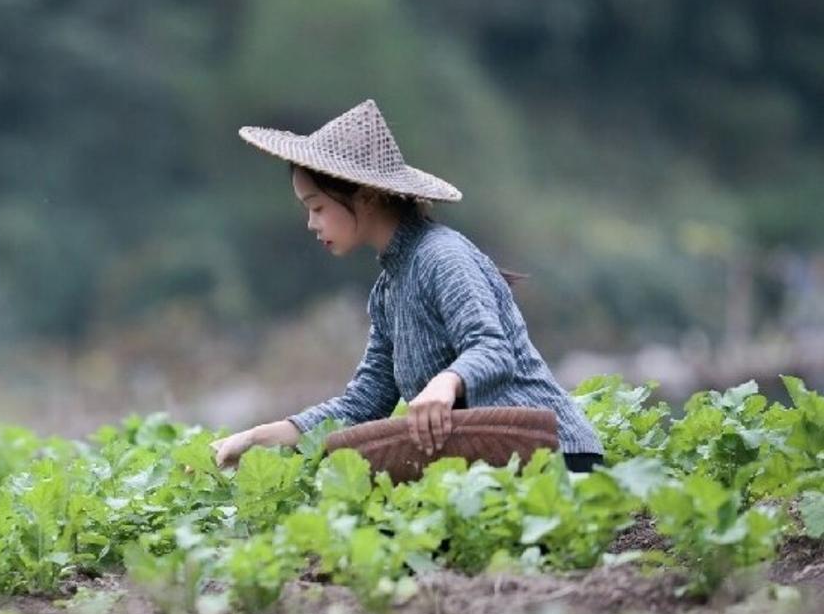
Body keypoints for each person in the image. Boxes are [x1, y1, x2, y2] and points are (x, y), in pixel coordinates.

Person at [209, 98, 604, 473]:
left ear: (364, 196)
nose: (312, 223)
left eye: (317, 207)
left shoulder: (442, 257)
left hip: (559, 457)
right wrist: (261, 436)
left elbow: (493, 348)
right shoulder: (387, 292)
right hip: (496, 466)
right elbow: (365, 402)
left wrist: (445, 383)